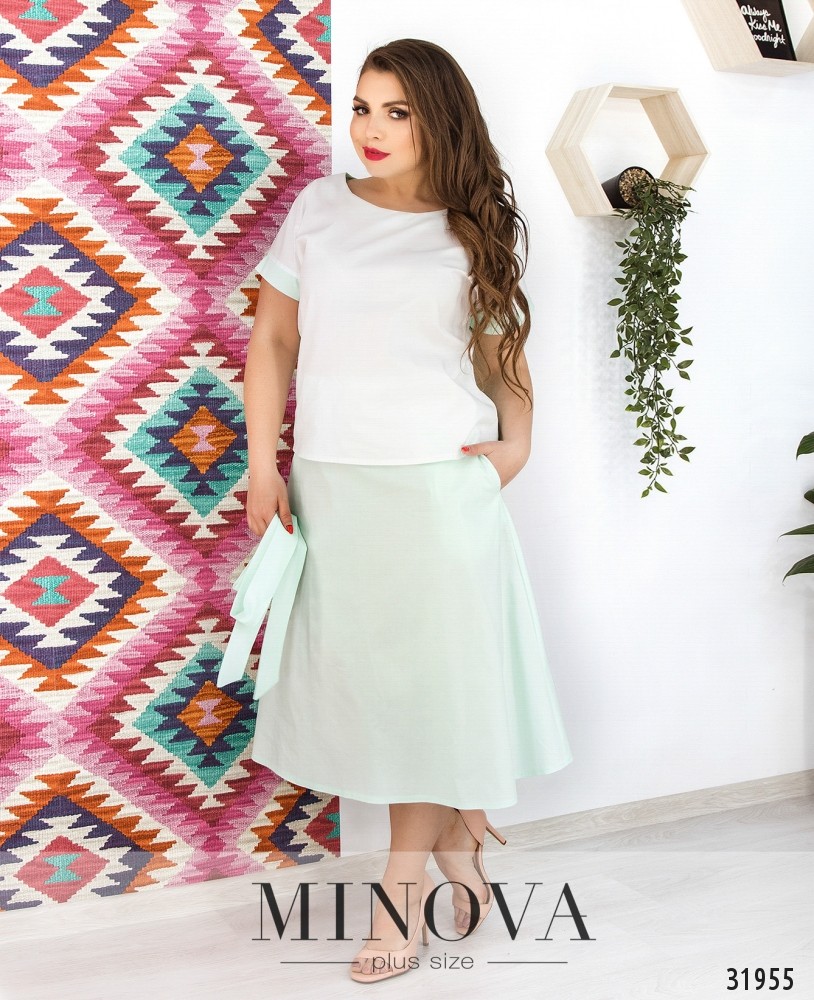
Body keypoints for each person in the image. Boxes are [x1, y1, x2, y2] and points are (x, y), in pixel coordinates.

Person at [239, 37, 572, 984]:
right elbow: (273, 340)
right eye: (362, 107)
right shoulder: (319, 209)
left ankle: (402, 890)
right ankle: (459, 834)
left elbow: (503, 357)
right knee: (372, 690)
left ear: (440, 119)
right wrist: (263, 465)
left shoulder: (471, 230)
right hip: (335, 486)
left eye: (398, 111)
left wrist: (519, 442)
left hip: (436, 489)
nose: (372, 129)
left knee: (426, 692)